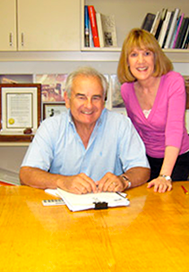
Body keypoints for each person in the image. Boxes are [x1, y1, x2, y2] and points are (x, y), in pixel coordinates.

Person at [20, 66, 150, 194]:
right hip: (62, 209)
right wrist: (63, 181)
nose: (89, 105)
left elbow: (142, 169)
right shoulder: (50, 127)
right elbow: (27, 173)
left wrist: (123, 180)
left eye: (96, 98)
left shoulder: (121, 124)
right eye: (81, 97)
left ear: (103, 101)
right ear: (67, 99)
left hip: (109, 208)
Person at [117, 28, 189, 193]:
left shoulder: (173, 81)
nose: (141, 61)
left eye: (146, 53)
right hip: (147, 158)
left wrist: (165, 175)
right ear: (127, 61)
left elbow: (174, 129)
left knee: (169, 205)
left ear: (155, 57)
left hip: (176, 157)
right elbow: (135, 131)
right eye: (134, 55)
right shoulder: (127, 89)